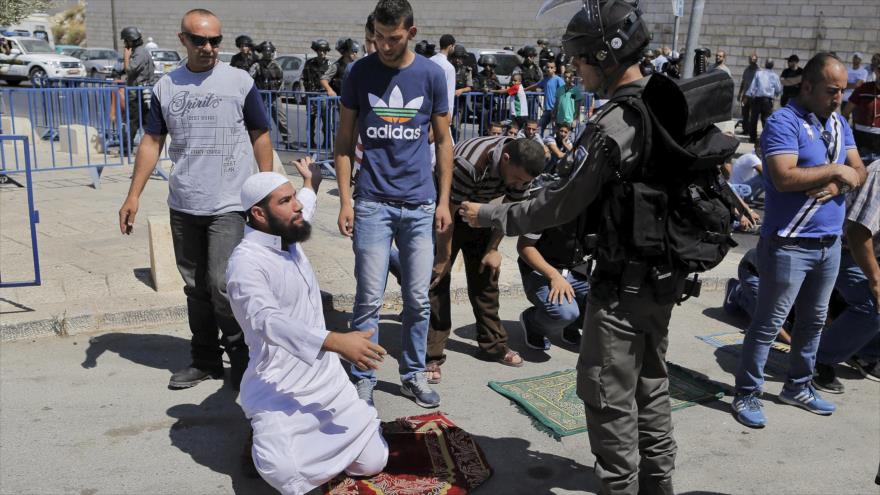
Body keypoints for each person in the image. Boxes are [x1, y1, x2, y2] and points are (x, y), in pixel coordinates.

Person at [458, 1, 679, 492]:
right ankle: (659, 483)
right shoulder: (667, 104)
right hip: (665, 279)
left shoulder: (616, 124)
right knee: (651, 383)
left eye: (580, 60)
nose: (576, 69)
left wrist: (489, 213)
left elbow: (554, 205)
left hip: (623, 284)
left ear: (604, 56)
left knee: (606, 394)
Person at [117, 8, 275, 390]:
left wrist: (266, 190)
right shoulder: (167, 87)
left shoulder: (238, 81)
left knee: (224, 284)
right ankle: (204, 359)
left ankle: (242, 357)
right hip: (185, 203)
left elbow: (260, 134)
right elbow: (152, 141)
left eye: (215, 40)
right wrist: (132, 195)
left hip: (230, 205)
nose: (209, 47)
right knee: (196, 287)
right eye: (200, 40)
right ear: (183, 40)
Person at [227, 165, 389, 495]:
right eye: (286, 201)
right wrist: (335, 341)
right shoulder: (246, 262)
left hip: (324, 378)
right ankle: (259, 434)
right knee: (285, 474)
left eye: (293, 199)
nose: (297, 206)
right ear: (258, 213)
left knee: (374, 462)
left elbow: (306, 205)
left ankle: (318, 443)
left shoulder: (288, 232)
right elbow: (267, 320)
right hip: (278, 383)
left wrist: (308, 184)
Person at [731, 53, 867, 429]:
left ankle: (799, 385)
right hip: (789, 243)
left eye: (842, 90)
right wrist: (836, 170)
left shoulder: (840, 124)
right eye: (831, 90)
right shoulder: (783, 121)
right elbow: (783, 177)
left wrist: (840, 178)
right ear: (807, 87)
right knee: (769, 323)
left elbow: (860, 171)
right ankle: (747, 392)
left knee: (813, 321)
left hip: (830, 243)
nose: (838, 98)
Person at [334, 0, 453, 409]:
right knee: (368, 298)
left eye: (394, 38)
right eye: (378, 37)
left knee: (418, 299)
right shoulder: (359, 72)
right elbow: (344, 143)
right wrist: (346, 200)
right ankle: (364, 376)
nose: (384, 46)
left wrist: (444, 201)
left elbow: (444, 141)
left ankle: (413, 374)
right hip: (371, 205)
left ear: (412, 33)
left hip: (420, 206)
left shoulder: (432, 74)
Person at [427, 137, 545, 382]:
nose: (518, 184)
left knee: (486, 277)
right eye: (517, 179)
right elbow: (449, 210)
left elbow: (509, 212)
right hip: (443, 209)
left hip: (479, 211)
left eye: (524, 182)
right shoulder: (469, 164)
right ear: (505, 159)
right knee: (437, 279)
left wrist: (493, 249)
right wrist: (443, 255)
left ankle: (493, 345)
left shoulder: (522, 171)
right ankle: (431, 354)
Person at [812, 160, 880, 393]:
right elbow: (858, 232)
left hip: (870, 253)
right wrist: (876, 280)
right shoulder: (879, 174)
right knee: (874, 306)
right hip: (845, 251)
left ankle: (866, 353)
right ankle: (817, 359)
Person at [120, 26, 156, 153]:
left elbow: (130, 70)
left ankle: (126, 149)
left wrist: (126, 56)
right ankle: (149, 147)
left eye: (125, 41)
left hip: (138, 93)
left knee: (133, 121)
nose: (125, 44)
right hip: (142, 91)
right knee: (145, 121)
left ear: (131, 40)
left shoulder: (139, 53)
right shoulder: (141, 51)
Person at [250, 41, 289, 149]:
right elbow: (250, 78)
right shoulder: (257, 65)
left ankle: (288, 141)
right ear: (262, 52)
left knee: (281, 119)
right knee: (260, 119)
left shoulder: (276, 64)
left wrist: (278, 92)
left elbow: (281, 79)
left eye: (270, 51)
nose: (268, 53)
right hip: (261, 96)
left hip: (274, 96)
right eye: (266, 51)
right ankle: (260, 141)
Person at [843, 61, 880, 163]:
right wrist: (846, 135)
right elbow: (846, 112)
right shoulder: (863, 89)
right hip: (860, 139)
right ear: (876, 71)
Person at [302, 38, 333, 148]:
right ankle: (311, 142)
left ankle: (327, 142)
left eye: (324, 51)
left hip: (324, 96)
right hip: (311, 96)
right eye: (319, 50)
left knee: (326, 121)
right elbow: (303, 78)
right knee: (311, 122)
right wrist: (303, 94)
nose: (322, 53)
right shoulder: (309, 63)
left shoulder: (330, 64)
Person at [745, 59, 782, 144]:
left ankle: (752, 138)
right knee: (766, 120)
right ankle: (765, 138)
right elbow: (778, 89)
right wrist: (776, 94)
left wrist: (748, 96)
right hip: (767, 100)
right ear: (773, 65)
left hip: (757, 99)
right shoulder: (775, 76)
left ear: (765, 64)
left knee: (754, 119)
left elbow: (753, 86)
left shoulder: (759, 73)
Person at [528, 60, 565, 136]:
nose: (549, 69)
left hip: (556, 110)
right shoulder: (545, 80)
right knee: (539, 128)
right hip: (547, 110)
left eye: (551, 67)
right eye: (548, 67)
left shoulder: (558, 80)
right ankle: (540, 143)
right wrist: (524, 89)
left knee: (557, 130)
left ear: (554, 69)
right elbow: (536, 85)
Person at [431, 34, 457, 137]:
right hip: (441, 112)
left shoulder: (429, 61)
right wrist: (448, 115)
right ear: (450, 46)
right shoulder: (449, 67)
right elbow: (449, 94)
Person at [738, 53, 759, 134]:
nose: (752, 60)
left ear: (757, 60)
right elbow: (743, 82)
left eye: (754, 59)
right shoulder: (746, 70)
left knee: (753, 115)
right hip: (745, 96)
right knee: (745, 113)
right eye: (750, 59)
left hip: (754, 96)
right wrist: (740, 93)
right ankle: (745, 130)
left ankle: (752, 131)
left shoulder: (759, 71)